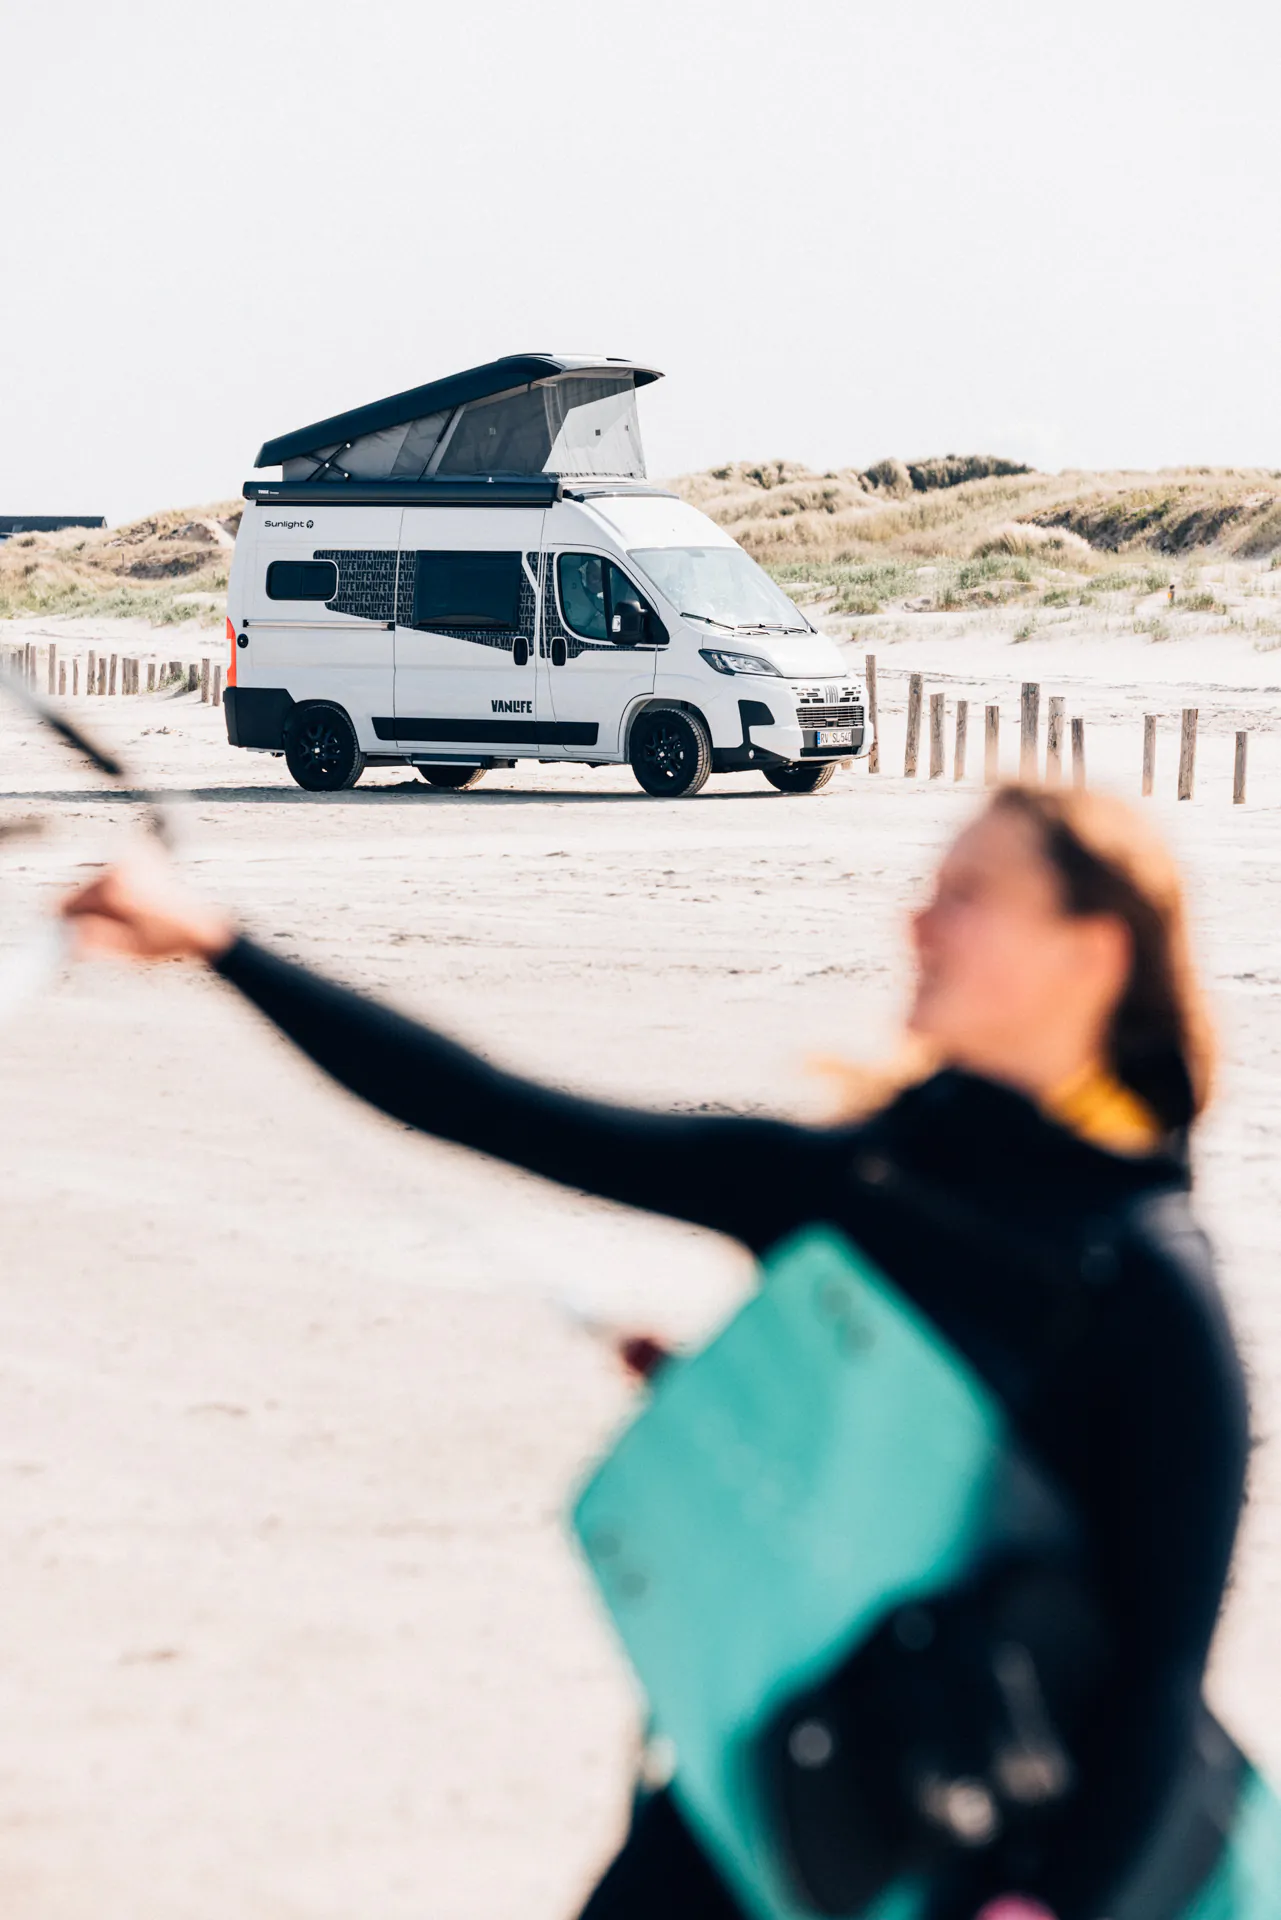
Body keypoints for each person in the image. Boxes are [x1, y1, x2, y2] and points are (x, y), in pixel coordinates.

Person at [61, 785, 1249, 1920]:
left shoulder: (1149, 1291)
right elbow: (501, 1112)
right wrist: (220, 947)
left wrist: (1040, 1912)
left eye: (969, 893)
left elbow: (1155, 1684)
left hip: (972, 1853)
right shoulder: (870, 1182)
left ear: (1090, 956)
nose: (918, 917)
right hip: (781, 1788)